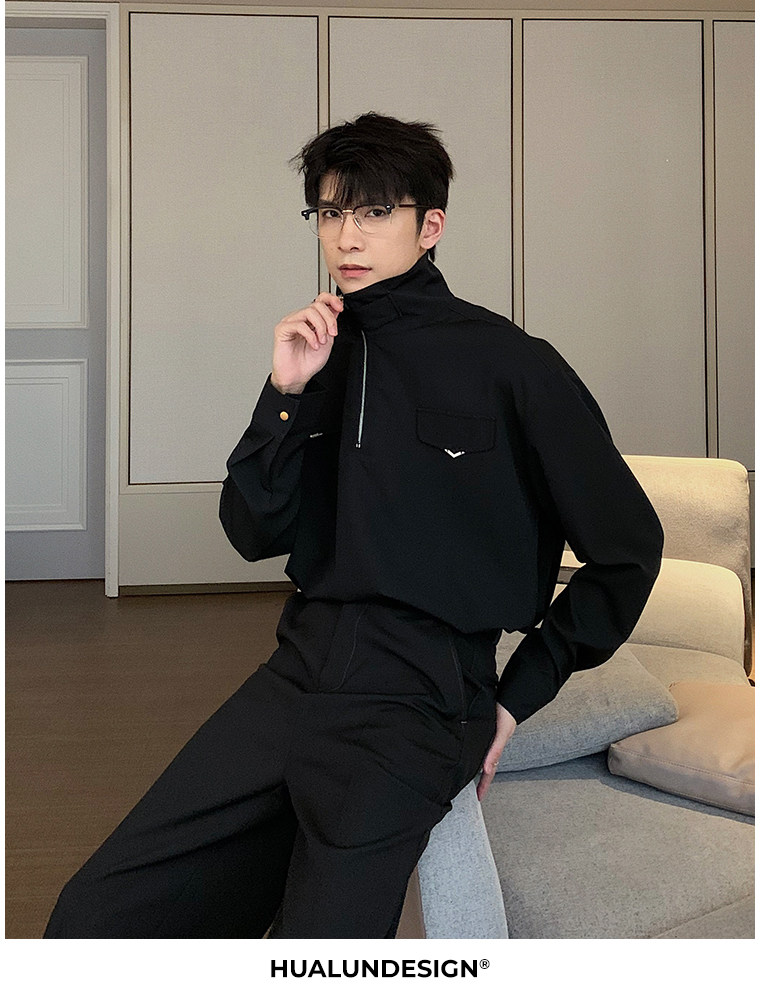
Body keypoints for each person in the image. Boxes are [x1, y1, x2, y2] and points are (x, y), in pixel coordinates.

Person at [44, 112, 663, 939]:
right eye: (331, 212)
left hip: (420, 698)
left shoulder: (514, 365)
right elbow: (251, 530)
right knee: (98, 916)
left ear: (429, 226)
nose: (347, 236)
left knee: (324, 953)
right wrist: (284, 392)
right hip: (298, 671)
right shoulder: (319, 351)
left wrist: (516, 698)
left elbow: (629, 551)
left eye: (374, 211)